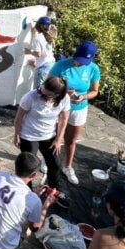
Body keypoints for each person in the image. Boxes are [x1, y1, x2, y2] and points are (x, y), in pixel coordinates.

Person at [48, 40, 101, 185]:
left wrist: (84, 96)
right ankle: (48, 161)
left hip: (79, 108)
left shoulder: (93, 69)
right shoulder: (61, 65)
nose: (80, 63)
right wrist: (63, 92)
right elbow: (48, 85)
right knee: (54, 136)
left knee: (71, 140)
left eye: (85, 61)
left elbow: (94, 91)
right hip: (60, 106)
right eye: (79, 60)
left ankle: (67, 167)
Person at [13, 76, 70, 188]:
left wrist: (58, 139)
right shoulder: (30, 97)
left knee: (55, 165)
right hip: (29, 136)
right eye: (41, 90)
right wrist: (16, 134)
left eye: (46, 95)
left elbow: (64, 119)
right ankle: (27, 190)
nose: (40, 95)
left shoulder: (64, 98)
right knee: (28, 168)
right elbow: (18, 117)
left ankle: (53, 190)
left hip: (49, 135)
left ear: (56, 95)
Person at [24, 16, 56, 89]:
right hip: (51, 66)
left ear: (40, 25)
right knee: (46, 90)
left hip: (43, 68)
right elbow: (46, 53)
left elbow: (38, 54)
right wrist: (36, 64)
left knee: (38, 91)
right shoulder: (49, 36)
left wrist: (28, 51)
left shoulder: (38, 38)